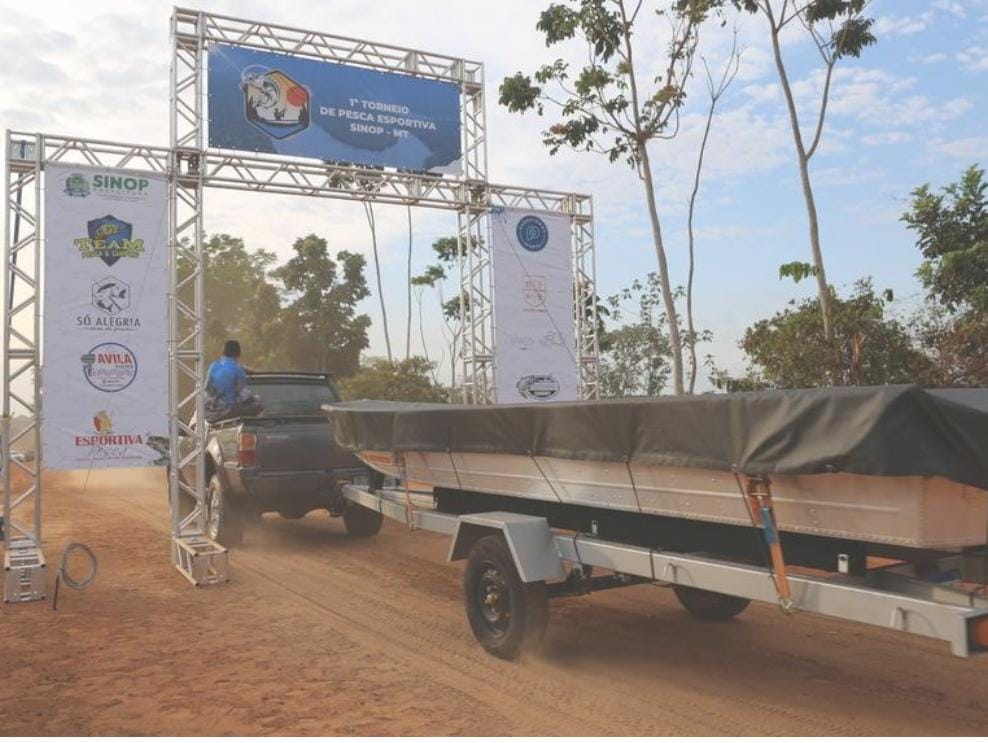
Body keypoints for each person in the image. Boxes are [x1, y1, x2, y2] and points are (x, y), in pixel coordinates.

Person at [204, 340, 264, 423]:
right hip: (227, 412)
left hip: (210, 413)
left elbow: (207, 388)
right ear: (238, 354)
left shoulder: (213, 366)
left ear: (223, 352)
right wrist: (255, 399)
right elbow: (245, 397)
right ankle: (258, 425)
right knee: (258, 404)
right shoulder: (238, 370)